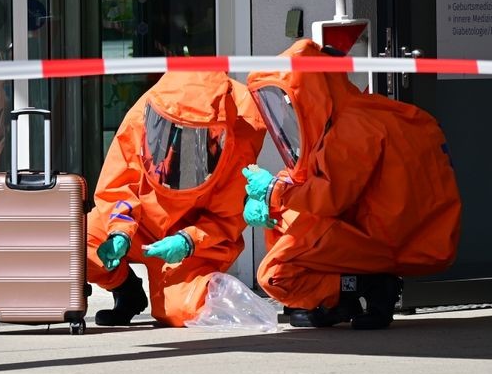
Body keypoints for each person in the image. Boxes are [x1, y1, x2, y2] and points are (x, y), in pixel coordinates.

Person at [242, 40, 462, 329]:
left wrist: (274, 191)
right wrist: (277, 198)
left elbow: (331, 197)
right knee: (285, 220)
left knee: (275, 275)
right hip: (400, 230)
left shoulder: (350, 127)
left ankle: (365, 287)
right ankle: (343, 298)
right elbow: (323, 177)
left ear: (309, 91)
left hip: (385, 238)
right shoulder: (362, 112)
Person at [88, 71, 264, 327]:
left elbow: (227, 218)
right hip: (140, 226)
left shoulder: (240, 136)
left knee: (182, 311)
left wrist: (188, 241)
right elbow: (118, 185)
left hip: (190, 244)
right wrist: (120, 232)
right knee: (78, 248)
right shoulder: (142, 116)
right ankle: (126, 292)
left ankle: (191, 286)